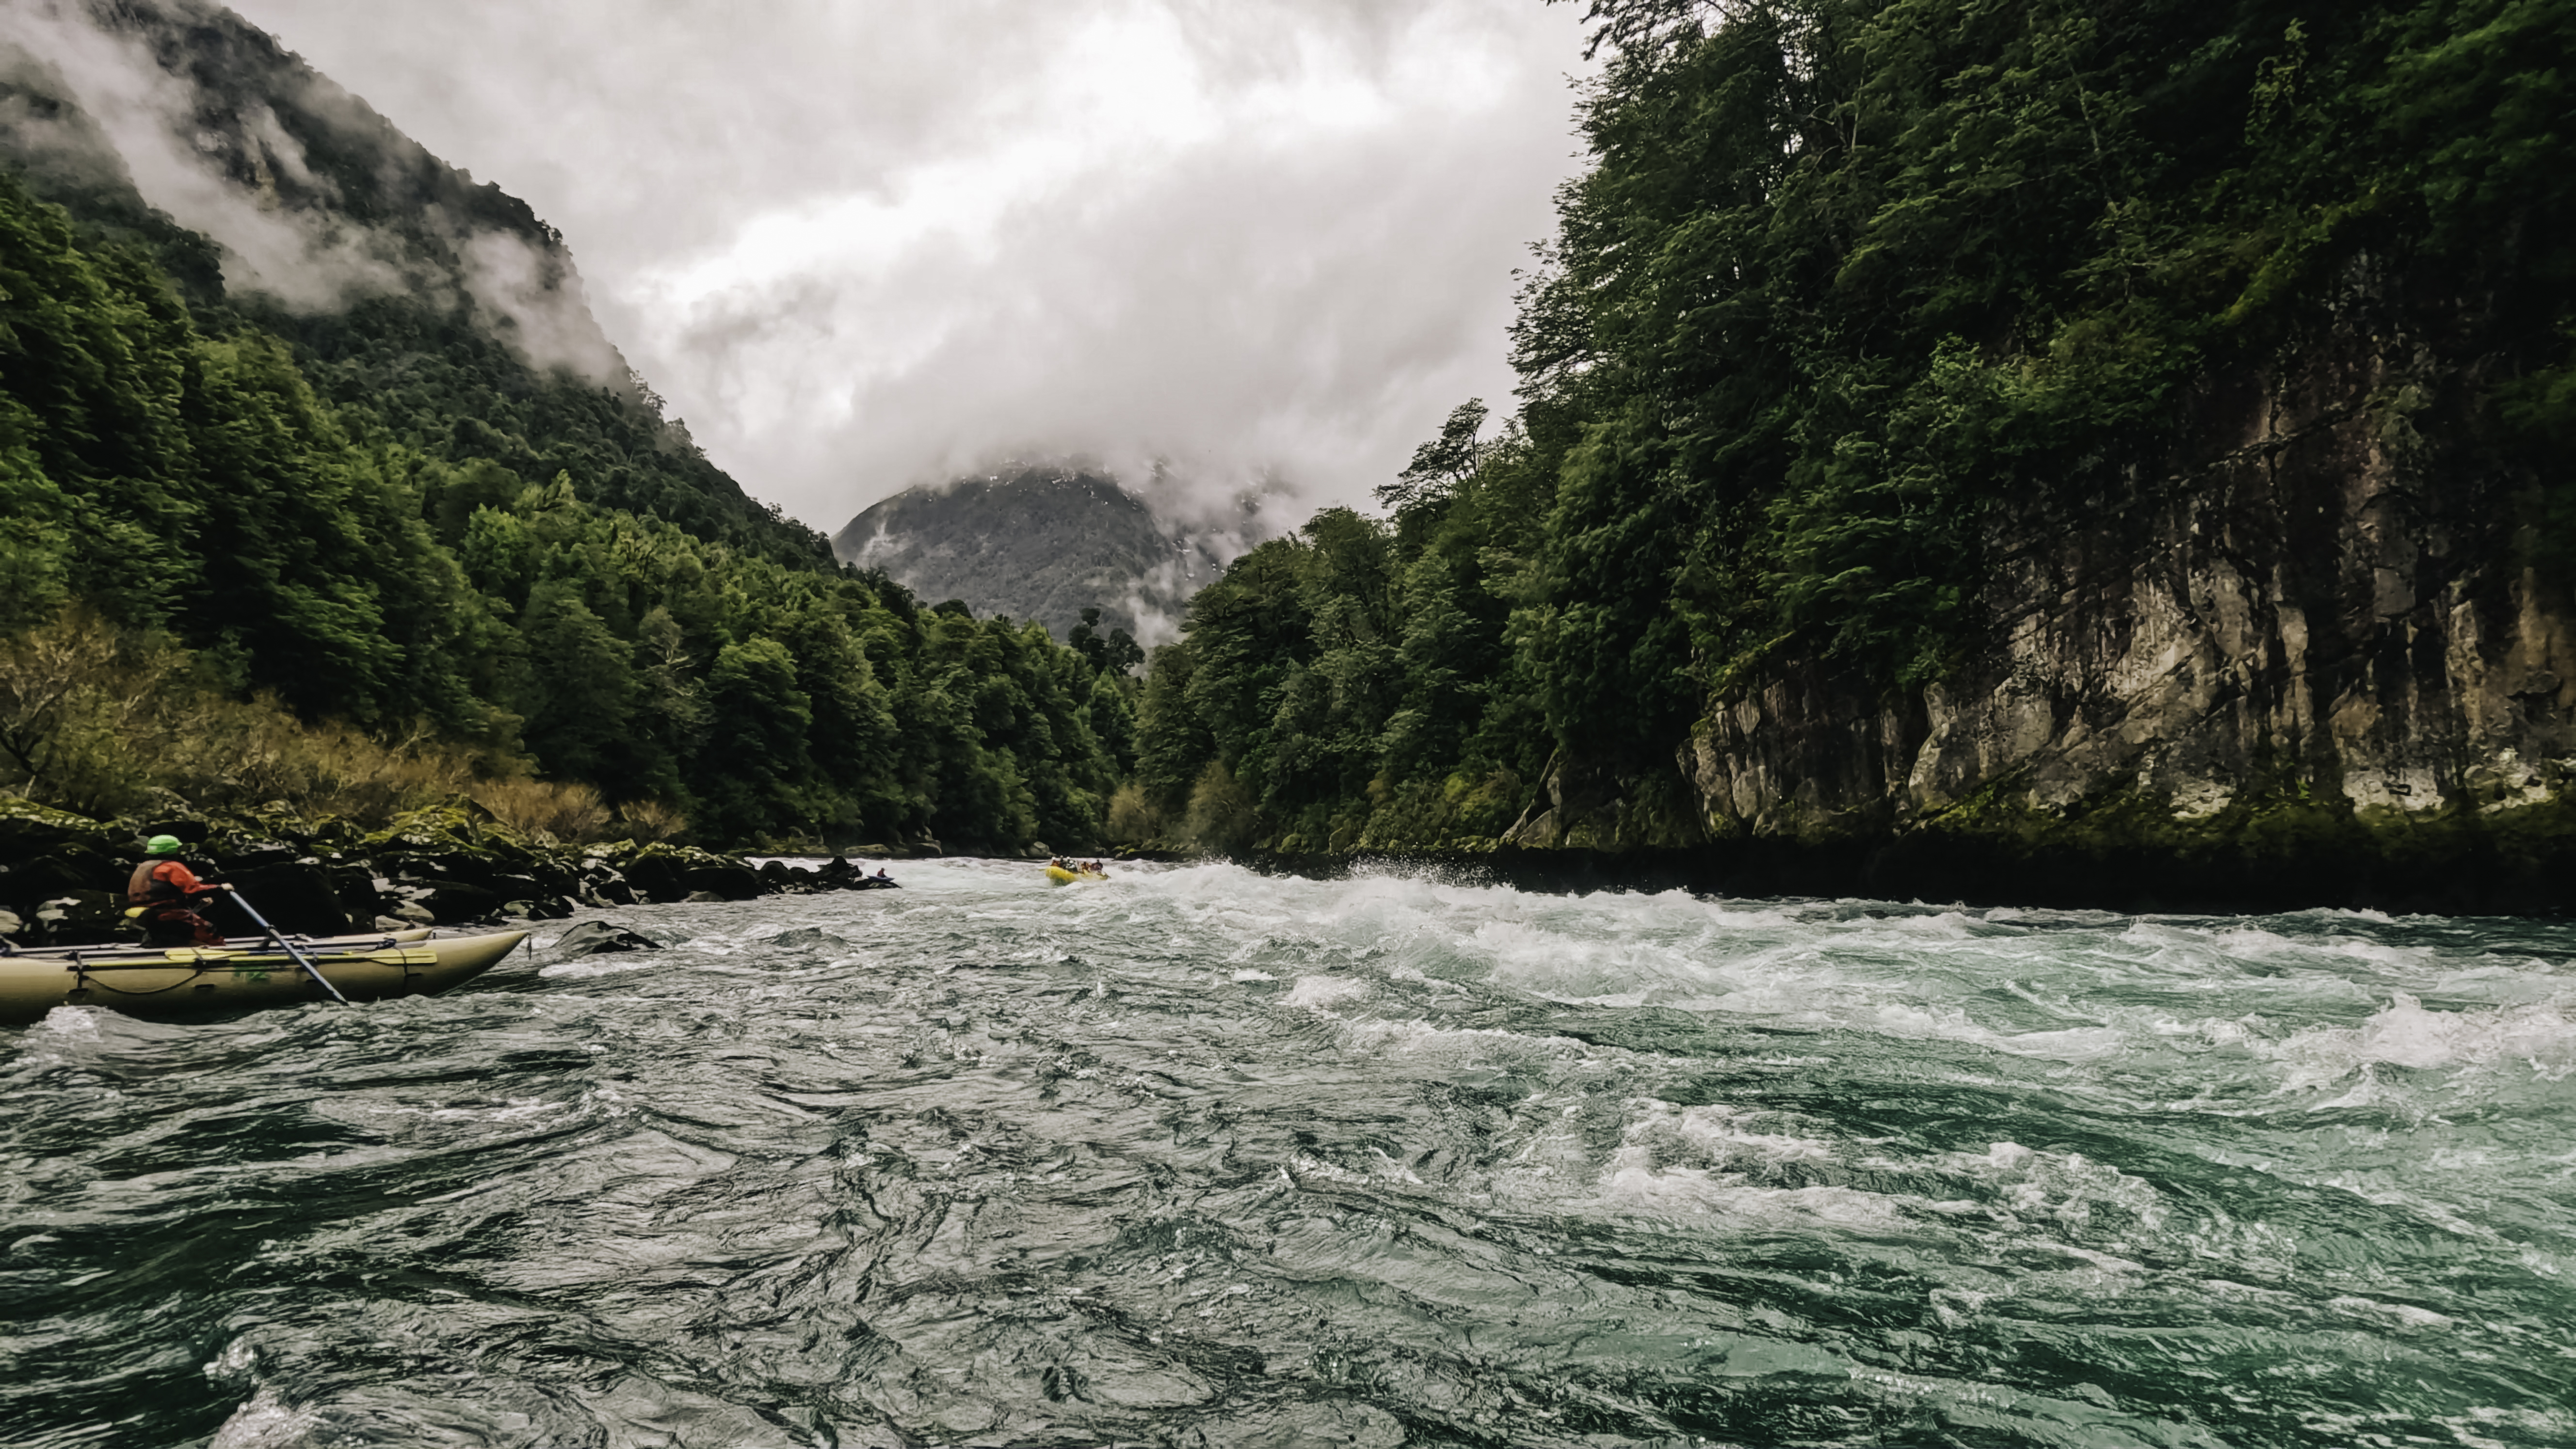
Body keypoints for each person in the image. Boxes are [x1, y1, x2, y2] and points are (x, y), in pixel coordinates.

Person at [127, 835, 230, 948]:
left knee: (167, 938)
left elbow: (161, 888)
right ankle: (219, 955)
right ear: (173, 850)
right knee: (209, 933)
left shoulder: (143, 866)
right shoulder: (172, 867)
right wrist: (220, 888)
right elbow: (193, 890)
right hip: (167, 913)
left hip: (145, 914)